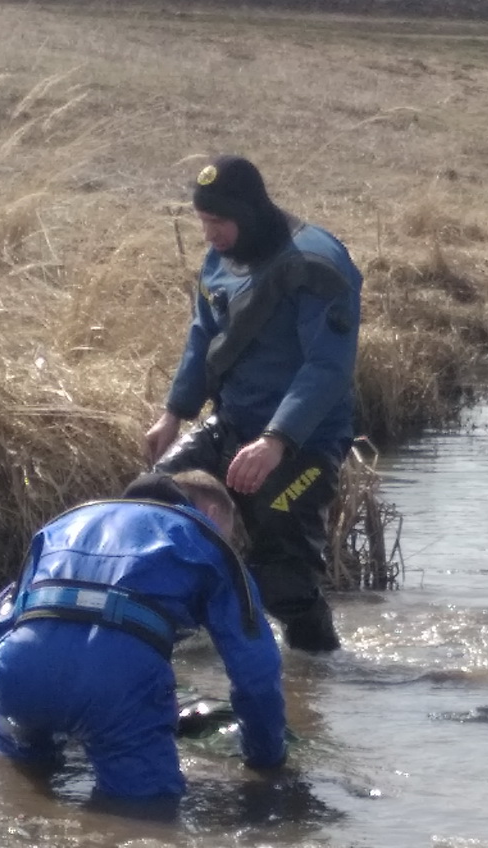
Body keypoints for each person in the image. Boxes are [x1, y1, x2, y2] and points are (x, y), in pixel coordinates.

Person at [145, 155, 363, 654]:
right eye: (202, 222)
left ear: (249, 212)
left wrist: (276, 441)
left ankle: (316, 671)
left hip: (304, 441)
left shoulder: (317, 264)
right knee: (152, 494)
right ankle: (183, 626)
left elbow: (327, 368)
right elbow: (204, 335)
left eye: (217, 222)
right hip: (232, 421)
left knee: (284, 578)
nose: (208, 235)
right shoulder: (222, 256)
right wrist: (174, 412)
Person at [0, 469, 287, 801]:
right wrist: (266, 759)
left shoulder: (62, 524)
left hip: (15, 675)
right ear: (212, 513)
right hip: (115, 680)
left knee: (25, 792)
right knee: (145, 816)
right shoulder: (205, 537)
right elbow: (257, 671)